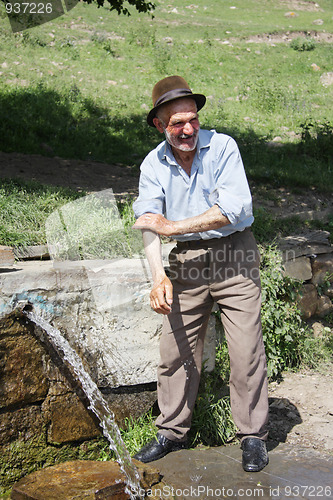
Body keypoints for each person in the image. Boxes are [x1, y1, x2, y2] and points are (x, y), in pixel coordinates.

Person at [132, 76, 269, 472]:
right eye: (176, 123)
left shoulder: (223, 147)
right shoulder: (151, 164)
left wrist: (172, 228)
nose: (187, 129)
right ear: (160, 125)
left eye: (191, 119)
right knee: (174, 351)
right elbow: (148, 223)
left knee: (245, 351)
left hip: (234, 255)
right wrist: (158, 275)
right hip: (186, 263)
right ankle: (171, 431)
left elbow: (233, 209)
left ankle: (253, 436)